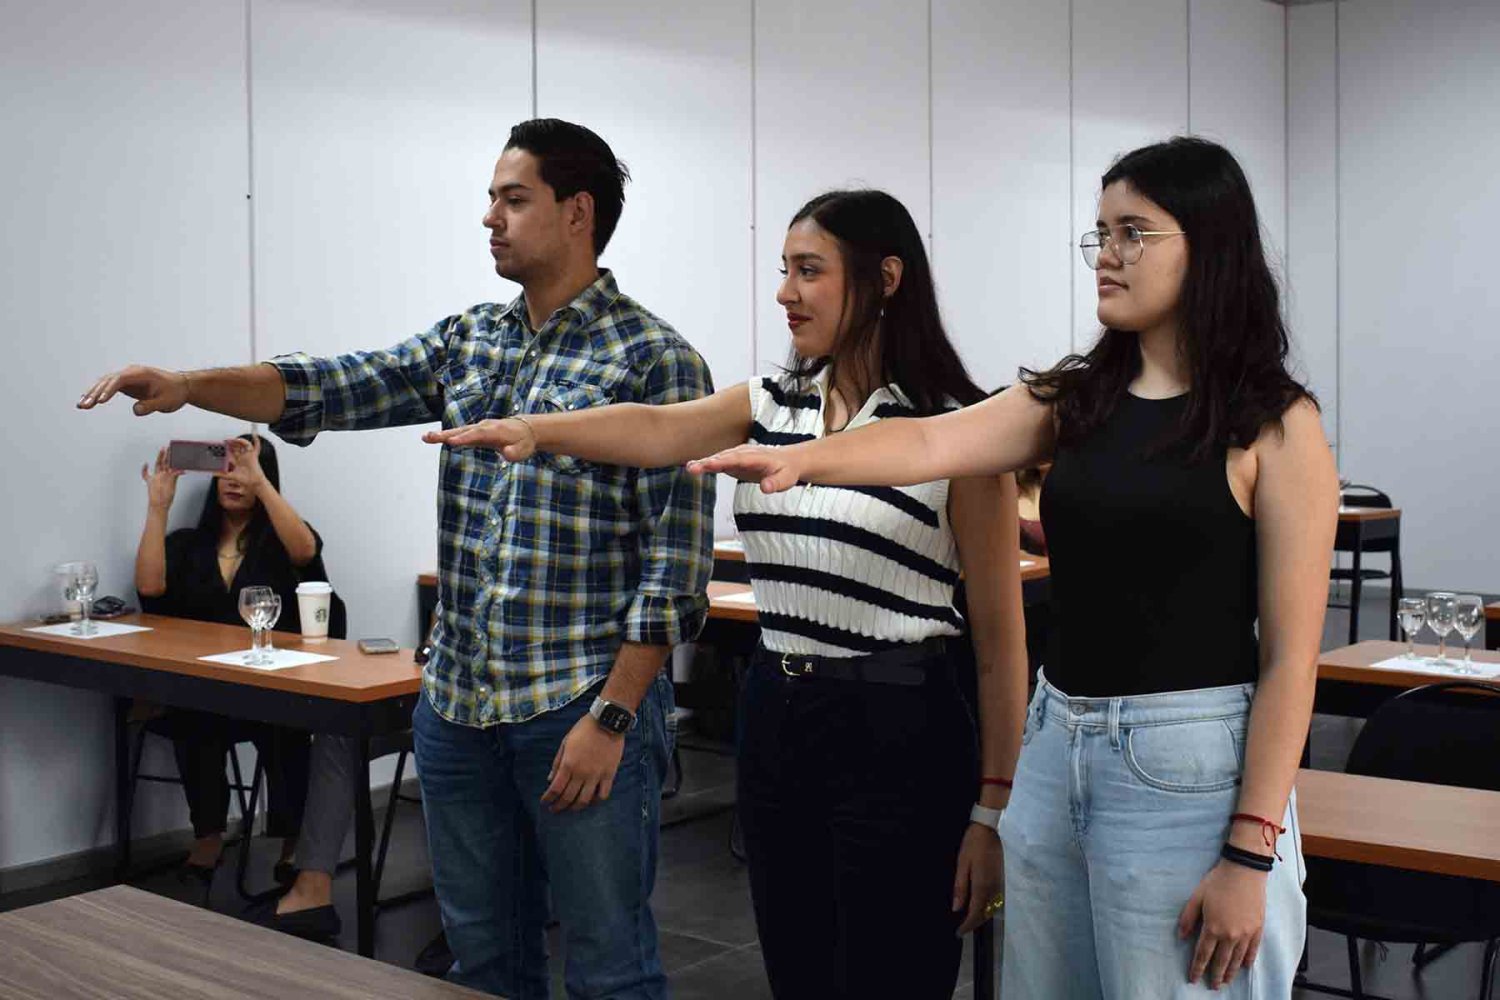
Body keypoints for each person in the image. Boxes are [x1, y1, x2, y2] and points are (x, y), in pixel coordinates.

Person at [689, 137, 1339, 998]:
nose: (1106, 255)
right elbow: (931, 441)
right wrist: (804, 459)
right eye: (1101, 233)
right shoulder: (1077, 400)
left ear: (1210, 246)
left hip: (1185, 765)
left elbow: (1290, 659)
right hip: (1058, 744)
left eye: (1134, 233)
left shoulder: (1275, 425)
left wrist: (1250, 851)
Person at [82, 118, 714, 999]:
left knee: (610, 969)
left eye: (513, 198)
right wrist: (191, 385)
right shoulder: (472, 339)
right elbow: (328, 384)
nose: (489, 217)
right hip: (459, 707)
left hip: (576, 703)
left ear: (578, 213)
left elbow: (673, 571)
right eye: (491, 197)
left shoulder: (655, 360)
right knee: (483, 965)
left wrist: (612, 719)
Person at [423, 188, 1029, 998]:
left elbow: (1000, 645)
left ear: (885, 279)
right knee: (797, 968)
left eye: (808, 271)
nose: (785, 292)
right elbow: (656, 429)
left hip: (901, 725)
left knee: (891, 973)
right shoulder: (772, 402)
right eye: (784, 270)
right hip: (778, 714)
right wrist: (538, 430)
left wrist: (992, 813)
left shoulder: (958, 429)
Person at [135, 434, 323, 889]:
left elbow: (305, 552)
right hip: (211, 686)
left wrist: (262, 485)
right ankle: (208, 835)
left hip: (273, 685)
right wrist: (158, 507)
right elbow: (150, 588)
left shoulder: (282, 540)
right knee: (191, 716)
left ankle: (292, 842)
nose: (233, 481)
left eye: (245, 471)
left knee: (287, 726)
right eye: (225, 470)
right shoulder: (189, 543)